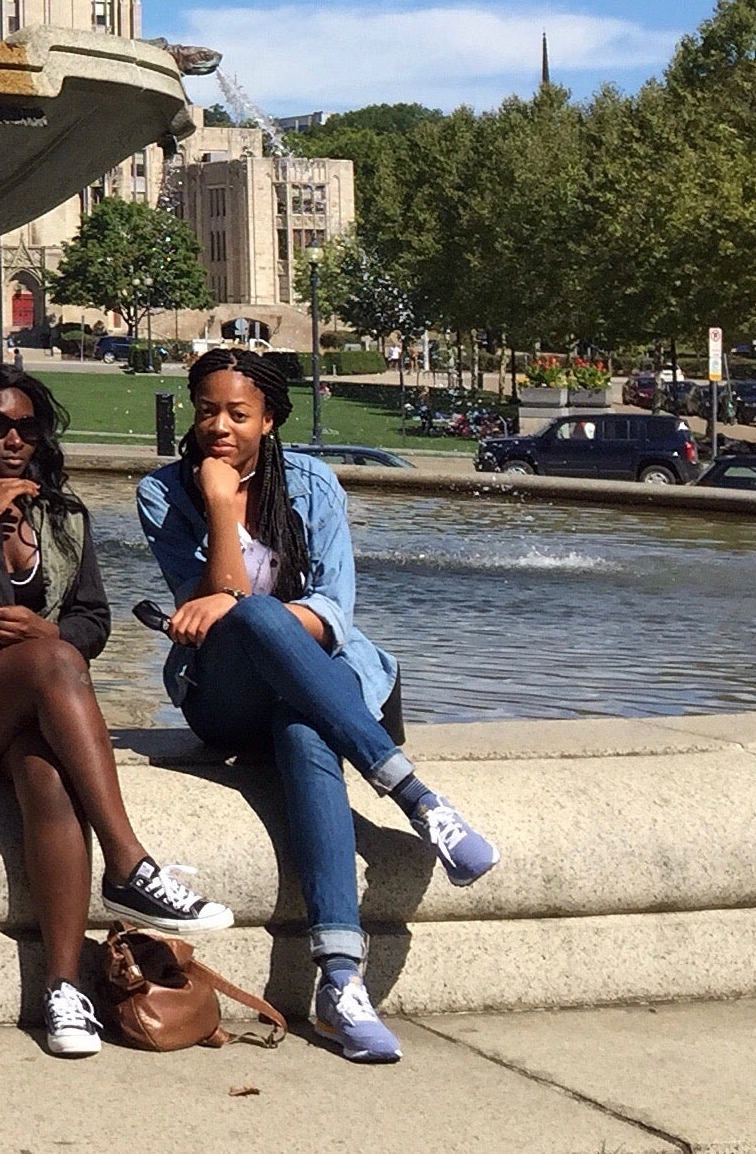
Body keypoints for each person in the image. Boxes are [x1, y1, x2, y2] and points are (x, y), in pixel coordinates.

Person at [138, 349, 501, 1065]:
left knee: (303, 725)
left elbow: (335, 610)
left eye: (238, 415)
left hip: (316, 691)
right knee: (258, 618)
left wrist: (243, 609)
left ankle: (340, 980)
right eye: (207, 409)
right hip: (223, 698)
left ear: (269, 420)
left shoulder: (312, 484)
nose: (219, 426)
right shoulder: (164, 493)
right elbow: (208, 612)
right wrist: (216, 504)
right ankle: (417, 797)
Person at [0, 363, 234, 1059]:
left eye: (26, 425)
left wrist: (54, 636)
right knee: (54, 662)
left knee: (49, 776)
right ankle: (129, 864)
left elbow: (92, 620)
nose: (14, 439)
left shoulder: (64, 514)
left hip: (35, 709)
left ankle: (63, 989)